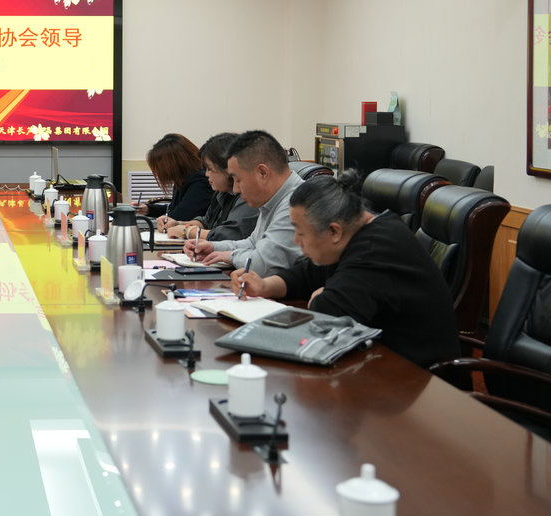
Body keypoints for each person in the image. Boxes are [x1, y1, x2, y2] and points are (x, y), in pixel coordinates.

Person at [231, 171, 460, 368]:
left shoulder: (375, 249)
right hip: (380, 362)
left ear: (334, 231)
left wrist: (319, 298)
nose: (296, 241)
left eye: (300, 232)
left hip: (419, 378)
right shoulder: (359, 232)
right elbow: (308, 273)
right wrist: (265, 285)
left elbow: (328, 314)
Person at [185, 129, 305, 274]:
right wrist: (213, 247)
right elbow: (253, 243)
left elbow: (264, 264)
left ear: (262, 173)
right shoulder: (272, 199)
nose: (235, 189)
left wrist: (230, 256)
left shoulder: (297, 203)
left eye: (238, 180)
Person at [163, 132, 258, 242]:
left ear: (228, 168)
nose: (206, 174)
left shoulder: (247, 195)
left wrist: (187, 231)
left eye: (210, 169)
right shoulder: (222, 191)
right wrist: (178, 224)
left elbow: (230, 234)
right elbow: (207, 222)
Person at [137, 133, 214, 230]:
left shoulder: (201, 182)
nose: (159, 172)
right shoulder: (185, 179)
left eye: (159, 167)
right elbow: (174, 209)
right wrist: (148, 209)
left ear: (173, 164)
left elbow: (179, 216)